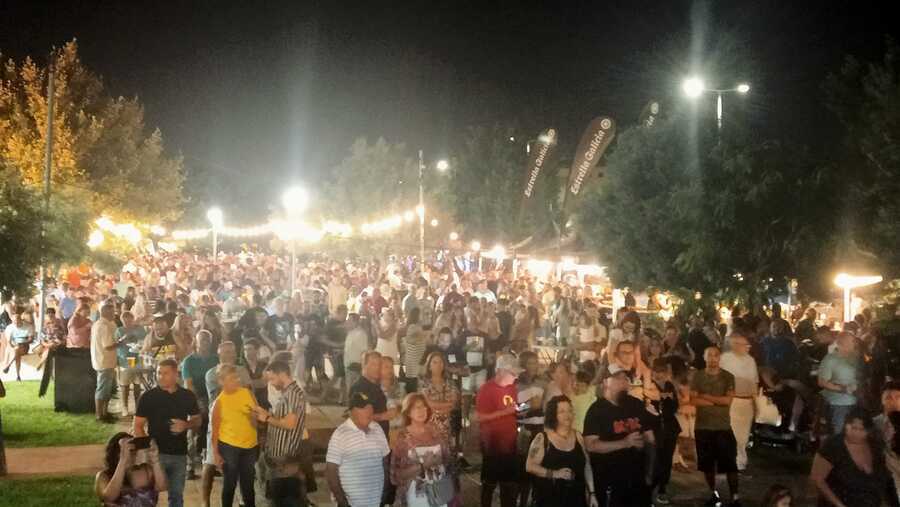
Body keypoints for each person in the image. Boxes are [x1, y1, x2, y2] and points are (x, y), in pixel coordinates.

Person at [583, 364, 656, 507]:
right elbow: (590, 445)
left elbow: (650, 438)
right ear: (605, 382)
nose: (623, 382)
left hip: (637, 479)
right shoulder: (596, 411)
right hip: (610, 481)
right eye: (617, 378)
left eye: (625, 378)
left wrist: (650, 472)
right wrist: (625, 443)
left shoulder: (636, 404)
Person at [133, 358, 201, 507]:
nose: (160, 377)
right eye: (158, 373)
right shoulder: (148, 397)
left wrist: (186, 425)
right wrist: (148, 448)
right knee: (149, 497)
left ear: (176, 374)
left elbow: (197, 420)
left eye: (165, 373)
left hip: (179, 454)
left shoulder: (187, 396)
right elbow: (137, 426)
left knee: (176, 497)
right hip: (156, 455)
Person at [810, 406, 898, 507]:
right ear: (845, 425)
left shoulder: (875, 446)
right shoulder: (833, 446)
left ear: (869, 430)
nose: (856, 433)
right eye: (853, 428)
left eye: (861, 429)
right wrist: (839, 505)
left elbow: (886, 478)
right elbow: (817, 479)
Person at [251, 360, 307, 507]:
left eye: (272, 379)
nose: (272, 383)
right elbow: (283, 419)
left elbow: (289, 424)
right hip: (279, 457)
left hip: (284, 458)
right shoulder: (287, 393)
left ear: (282, 374)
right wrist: (266, 414)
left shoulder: (293, 394)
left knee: (283, 500)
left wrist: (267, 418)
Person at [526, 395, 598, 507]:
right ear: (553, 415)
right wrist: (555, 473)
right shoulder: (542, 438)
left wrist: (592, 493)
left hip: (576, 499)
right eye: (562, 411)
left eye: (569, 410)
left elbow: (587, 465)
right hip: (549, 500)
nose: (567, 415)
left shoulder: (578, 436)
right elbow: (530, 466)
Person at [691, 346, 739, 506]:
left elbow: (728, 401)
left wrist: (705, 396)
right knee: (707, 466)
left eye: (715, 355)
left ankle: (735, 497)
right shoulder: (698, 376)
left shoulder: (728, 377)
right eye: (709, 355)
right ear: (704, 357)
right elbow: (693, 400)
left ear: (720, 357)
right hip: (702, 427)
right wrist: (717, 401)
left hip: (723, 427)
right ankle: (714, 494)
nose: (712, 358)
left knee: (730, 465)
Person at [326, 391, 391, 507]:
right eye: (364, 408)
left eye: (370, 407)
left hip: (377, 502)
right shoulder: (340, 434)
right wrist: (343, 503)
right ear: (351, 411)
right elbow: (331, 472)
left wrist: (385, 495)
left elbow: (385, 463)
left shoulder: (377, 429)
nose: (369, 411)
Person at [390, 392, 456, 507]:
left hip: (439, 492)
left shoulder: (436, 432)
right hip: (415, 497)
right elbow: (395, 476)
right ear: (408, 412)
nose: (422, 410)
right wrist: (423, 465)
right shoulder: (403, 437)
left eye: (424, 407)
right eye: (417, 407)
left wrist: (440, 460)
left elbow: (448, 460)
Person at [475, 353, 522, 507]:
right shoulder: (486, 390)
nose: (516, 377)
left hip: (510, 443)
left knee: (509, 485)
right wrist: (505, 412)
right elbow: (480, 417)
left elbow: (512, 409)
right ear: (501, 371)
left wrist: (518, 410)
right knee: (489, 484)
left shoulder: (512, 387)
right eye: (513, 373)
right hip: (492, 445)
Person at [211, 363, 260, 507]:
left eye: (236, 377)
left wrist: (254, 417)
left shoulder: (247, 393)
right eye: (232, 378)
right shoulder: (219, 403)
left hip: (250, 445)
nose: (237, 380)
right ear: (221, 381)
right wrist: (216, 454)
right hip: (229, 447)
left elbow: (257, 417)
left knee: (248, 483)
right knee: (230, 483)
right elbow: (215, 430)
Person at [180, 330, 218, 479]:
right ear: (196, 342)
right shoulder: (189, 361)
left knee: (213, 429)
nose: (205, 343)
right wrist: (199, 403)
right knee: (193, 428)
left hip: (213, 397)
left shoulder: (216, 359)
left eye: (207, 340)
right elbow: (189, 385)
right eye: (202, 340)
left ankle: (209, 461)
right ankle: (189, 466)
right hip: (195, 397)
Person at [719, 332, 759, 471]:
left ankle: (740, 461)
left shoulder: (750, 361)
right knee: (732, 432)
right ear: (734, 345)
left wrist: (756, 403)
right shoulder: (725, 359)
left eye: (747, 345)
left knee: (743, 435)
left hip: (747, 402)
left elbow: (754, 382)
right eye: (743, 344)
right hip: (733, 401)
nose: (747, 347)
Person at [95, 432, 168, 506]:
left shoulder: (145, 470)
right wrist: (123, 461)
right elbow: (109, 497)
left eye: (133, 450)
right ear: (115, 453)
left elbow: (162, 487)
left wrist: (155, 460)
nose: (131, 453)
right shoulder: (104, 476)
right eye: (126, 450)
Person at [648, 358, 680, 506]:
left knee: (666, 460)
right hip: (654, 429)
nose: (659, 374)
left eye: (662, 371)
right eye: (656, 371)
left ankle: (662, 489)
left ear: (666, 373)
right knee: (654, 461)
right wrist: (663, 397)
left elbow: (675, 406)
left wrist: (664, 400)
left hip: (670, 428)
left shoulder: (669, 385)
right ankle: (649, 491)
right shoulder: (649, 386)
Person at [818, 332, 862, 435]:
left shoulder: (856, 358)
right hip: (839, 404)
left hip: (857, 402)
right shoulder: (830, 359)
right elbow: (822, 382)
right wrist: (843, 389)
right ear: (841, 343)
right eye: (851, 341)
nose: (854, 344)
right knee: (839, 433)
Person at [348, 350, 395, 438]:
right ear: (364, 365)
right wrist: (383, 416)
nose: (377, 368)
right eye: (373, 364)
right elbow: (356, 418)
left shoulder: (377, 385)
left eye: (379, 365)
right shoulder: (359, 388)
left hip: (382, 437)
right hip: (367, 439)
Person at [420, 351, 460, 443]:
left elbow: (453, 403)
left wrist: (436, 408)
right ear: (429, 366)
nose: (438, 365)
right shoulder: (423, 383)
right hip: (429, 425)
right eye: (434, 362)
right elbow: (427, 404)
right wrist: (444, 406)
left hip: (448, 424)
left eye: (440, 362)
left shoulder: (450, 382)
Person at [116, 311, 148, 417]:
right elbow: (116, 344)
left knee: (137, 384)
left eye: (129, 320)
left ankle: (137, 407)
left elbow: (146, 341)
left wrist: (140, 345)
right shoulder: (119, 330)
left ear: (133, 319)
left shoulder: (140, 329)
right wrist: (122, 340)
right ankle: (124, 407)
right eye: (125, 321)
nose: (127, 323)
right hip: (124, 360)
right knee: (124, 385)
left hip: (138, 359)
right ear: (122, 321)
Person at [91, 303, 119, 422]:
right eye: (112, 312)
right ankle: (99, 415)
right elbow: (108, 346)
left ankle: (105, 412)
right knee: (102, 389)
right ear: (106, 312)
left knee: (107, 389)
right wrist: (120, 343)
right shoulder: (103, 326)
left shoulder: (101, 324)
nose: (114, 314)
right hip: (104, 361)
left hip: (106, 360)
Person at [2, 311, 34, 380]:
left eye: (17, 322)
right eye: (14, 322)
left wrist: (23, 343)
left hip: (24, 347)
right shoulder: (9, 328)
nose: (16, 324)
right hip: (13, 347)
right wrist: (14, 346)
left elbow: (31, 339)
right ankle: (18, 376)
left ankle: (8, 366)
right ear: (12, 321)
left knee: (17, 350)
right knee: (17, 353)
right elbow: (9, 342)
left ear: (21, 320)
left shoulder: (28, 326)